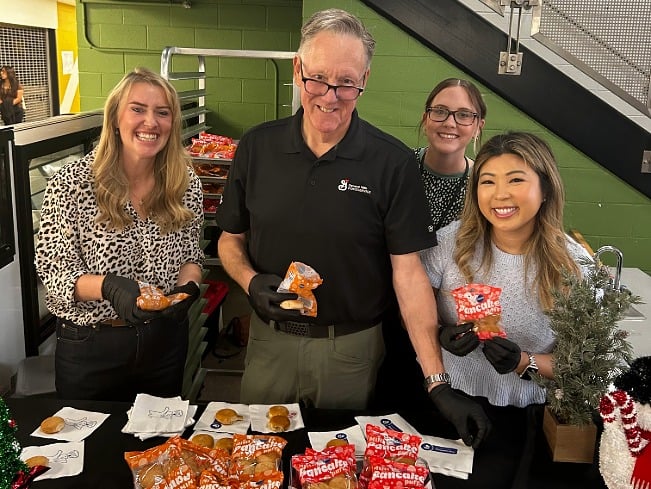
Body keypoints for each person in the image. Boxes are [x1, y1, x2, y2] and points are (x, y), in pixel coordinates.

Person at [216, 8, 489, 448]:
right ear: (298, 69)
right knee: (262, 457)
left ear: (364, 78)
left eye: (346, 82)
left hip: (352, 352)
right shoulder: (257, 147)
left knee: (341, 463)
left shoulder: (392, 162)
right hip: (270, 344)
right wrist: (250, 283)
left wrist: (437, 382)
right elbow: (231, 239)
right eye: (318, 78)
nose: (330, 95)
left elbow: (410, 273)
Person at [420, 131, 592, 488]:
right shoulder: (449, 243)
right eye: (487, 181)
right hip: (448, 405)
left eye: (516, 179)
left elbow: (583, 364)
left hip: (526, 419)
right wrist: (439, 331)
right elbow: (413, 309)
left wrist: (525, 362)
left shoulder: (574, 266)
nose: (499, 194)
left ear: (545, 189)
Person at [35, 67, 204, 402]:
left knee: (157, 447)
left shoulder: (184, 183)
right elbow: (54, 274)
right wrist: (108, 287)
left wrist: (189, 288)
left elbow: (191, 255)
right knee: (91, 448)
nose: (151, 123)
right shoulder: (73, 184)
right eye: (138, 109)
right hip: (92, 346)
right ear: (115, 118)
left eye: (163, 112)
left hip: (164, 343)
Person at [415, 78, 486, 231]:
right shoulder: (397, 168)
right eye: (440, 111)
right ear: (425, 119)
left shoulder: (483, 183)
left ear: (478, 127)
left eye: (464, 115)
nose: (450, 123)